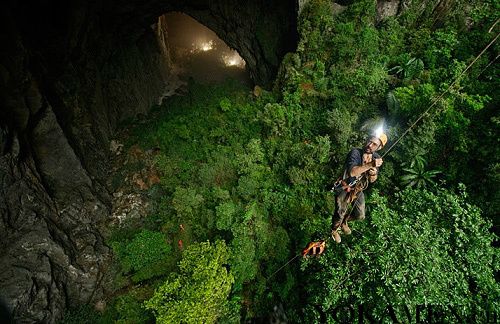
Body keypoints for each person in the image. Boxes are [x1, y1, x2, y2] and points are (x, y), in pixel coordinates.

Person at [331, 133, 387, 243]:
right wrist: (370, 165)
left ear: (379, 148)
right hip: (345, 186)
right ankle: (334, 230)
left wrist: (373, 173)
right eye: (369, 141)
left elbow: (372, 180)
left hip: (357, 189)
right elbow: (352, 172)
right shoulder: (355, 153)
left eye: (374, 144)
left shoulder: (376, 158)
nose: (370, 145)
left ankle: (344, 222)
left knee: (360, 215)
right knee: (340, 212)